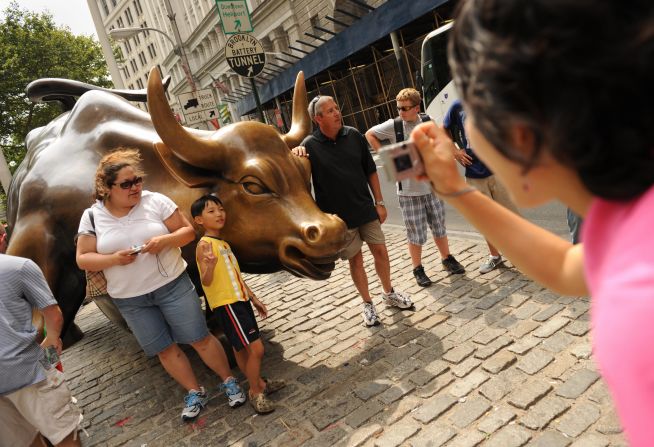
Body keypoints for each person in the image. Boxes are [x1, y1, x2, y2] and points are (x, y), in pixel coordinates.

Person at [411, 1, 653, 445]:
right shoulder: (629, 220)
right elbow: (567, 265)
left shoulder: (637, 308)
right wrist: (456, 190)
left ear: (519, 133)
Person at [76, 148, 246, 422]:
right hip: (130, 299)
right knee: (164, 349)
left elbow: (187, 231)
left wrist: (164, 241)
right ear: (107, 188)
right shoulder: (92, 216)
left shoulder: (154, 201)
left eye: (137, 180)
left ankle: (228, 380)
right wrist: (113, 259)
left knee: (199, 337)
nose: (136, 187)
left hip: (171, 285)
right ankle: (194, 391)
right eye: (126, 184)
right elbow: (83, 258)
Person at [292, 96, 413, 327]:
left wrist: (379, 202)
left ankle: (389, 293)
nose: (337, 113)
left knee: (381, 252)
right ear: (318, 119)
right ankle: (367, 303)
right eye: (330, 111)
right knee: (355, 262)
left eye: (337, 107)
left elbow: (371, 171)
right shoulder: (309, 145)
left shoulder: (354, 135)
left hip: (365, 209)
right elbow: (297, 180)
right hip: (339, 220)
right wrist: (296, 151)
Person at [191, 194, 286, 414]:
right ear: (199, 220)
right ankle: (255, 390)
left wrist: (253, 298)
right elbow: (205, 281)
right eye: (211, 211)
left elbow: (235, 276)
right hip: (228, 304)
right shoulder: (204, 245)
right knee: (257, 348)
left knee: (241, 349)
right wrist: (210, 265)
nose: (219, 214)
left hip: (239, 301)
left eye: (221, 209)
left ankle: (260, 383)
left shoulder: (222, 243)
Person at [365, 88, 465, 287]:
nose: (400, 112)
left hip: (432, 186)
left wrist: (455, 153)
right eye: (398, 108)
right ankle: (417, 268)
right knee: (415, 233)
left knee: (439, 226)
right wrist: (385, 154)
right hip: (408, 191)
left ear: (416, 108)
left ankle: (447, 258)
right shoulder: (395, 125)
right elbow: (369, 134)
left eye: (404, 108)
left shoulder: (427, 121)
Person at [0, 254, 83, 447]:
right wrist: (52, 344)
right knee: (64, 435)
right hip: (27, 371)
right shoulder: (19, 266)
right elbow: (54, 317)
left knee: (24, 442)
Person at [443, 99, 521, 274]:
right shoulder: (457, 106)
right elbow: (444, 130)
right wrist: (455, 151)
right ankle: (495, 257)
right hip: (474, 173)